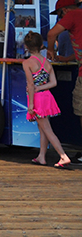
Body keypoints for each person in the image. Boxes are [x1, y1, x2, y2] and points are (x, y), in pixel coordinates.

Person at [22, 31, 71, 167]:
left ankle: (63, 156)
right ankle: (41, 156)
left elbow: (31, 85)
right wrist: (41, 88)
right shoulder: (46, 62)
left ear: (26, 46)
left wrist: (31, 103)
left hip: (37, 99)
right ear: (41, 46)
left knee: (47, 129)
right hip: (47, 97)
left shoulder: (27, 63)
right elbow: (53, 83)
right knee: (42, 127)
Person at [46, 0, 82, 161]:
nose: (59, 19)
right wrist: (67, 58)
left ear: (65, 10)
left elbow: (51, 34)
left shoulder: (73, 14)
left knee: (80, 110)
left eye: (59, 15)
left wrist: (50, 51)